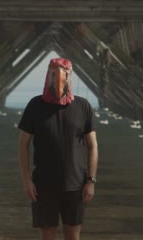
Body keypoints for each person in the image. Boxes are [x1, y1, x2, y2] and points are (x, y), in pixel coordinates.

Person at [18, 58, 98, 240]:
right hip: (43, 184)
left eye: (63, 72)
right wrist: (26, 180)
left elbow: (93, 146)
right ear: (48, 76)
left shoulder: (83, 106)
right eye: (53, 73)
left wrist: (91, 181)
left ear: (70, 76)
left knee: (73, 235)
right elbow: (23, 144)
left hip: (75, 184)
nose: (58, 77)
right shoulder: (35, 105)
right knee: (47, 235)